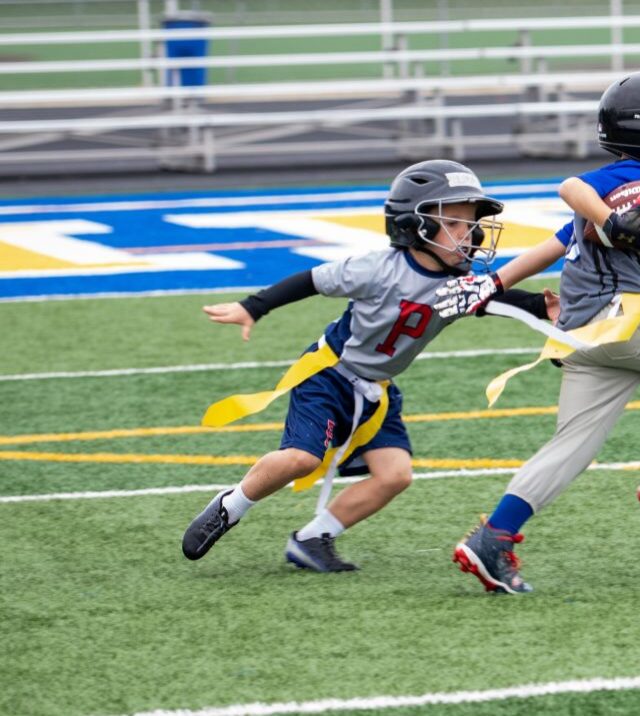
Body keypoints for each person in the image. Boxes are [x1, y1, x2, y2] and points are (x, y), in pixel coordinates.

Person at [436, 71, 640, 594]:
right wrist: (612, 216)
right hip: (615, 320)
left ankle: (494, 537)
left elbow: (555, 244)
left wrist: (492, 282)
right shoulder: (625, 178)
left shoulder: (632, 185)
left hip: (582, 337)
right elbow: (570, 187)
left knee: (573, 446)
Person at [181, 159, 556, 572]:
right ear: (418, 227)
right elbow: (311, 280)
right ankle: (230, 506)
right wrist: (253, 307)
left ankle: (313, 538)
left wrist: (542, 307)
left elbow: (497, 300)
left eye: (472, 224)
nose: (474, 234)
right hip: (330, 374)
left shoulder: (457, 285)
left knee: (394, 475)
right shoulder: (378, 269)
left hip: (377, 389)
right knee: (301, 458)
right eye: (459, 223)